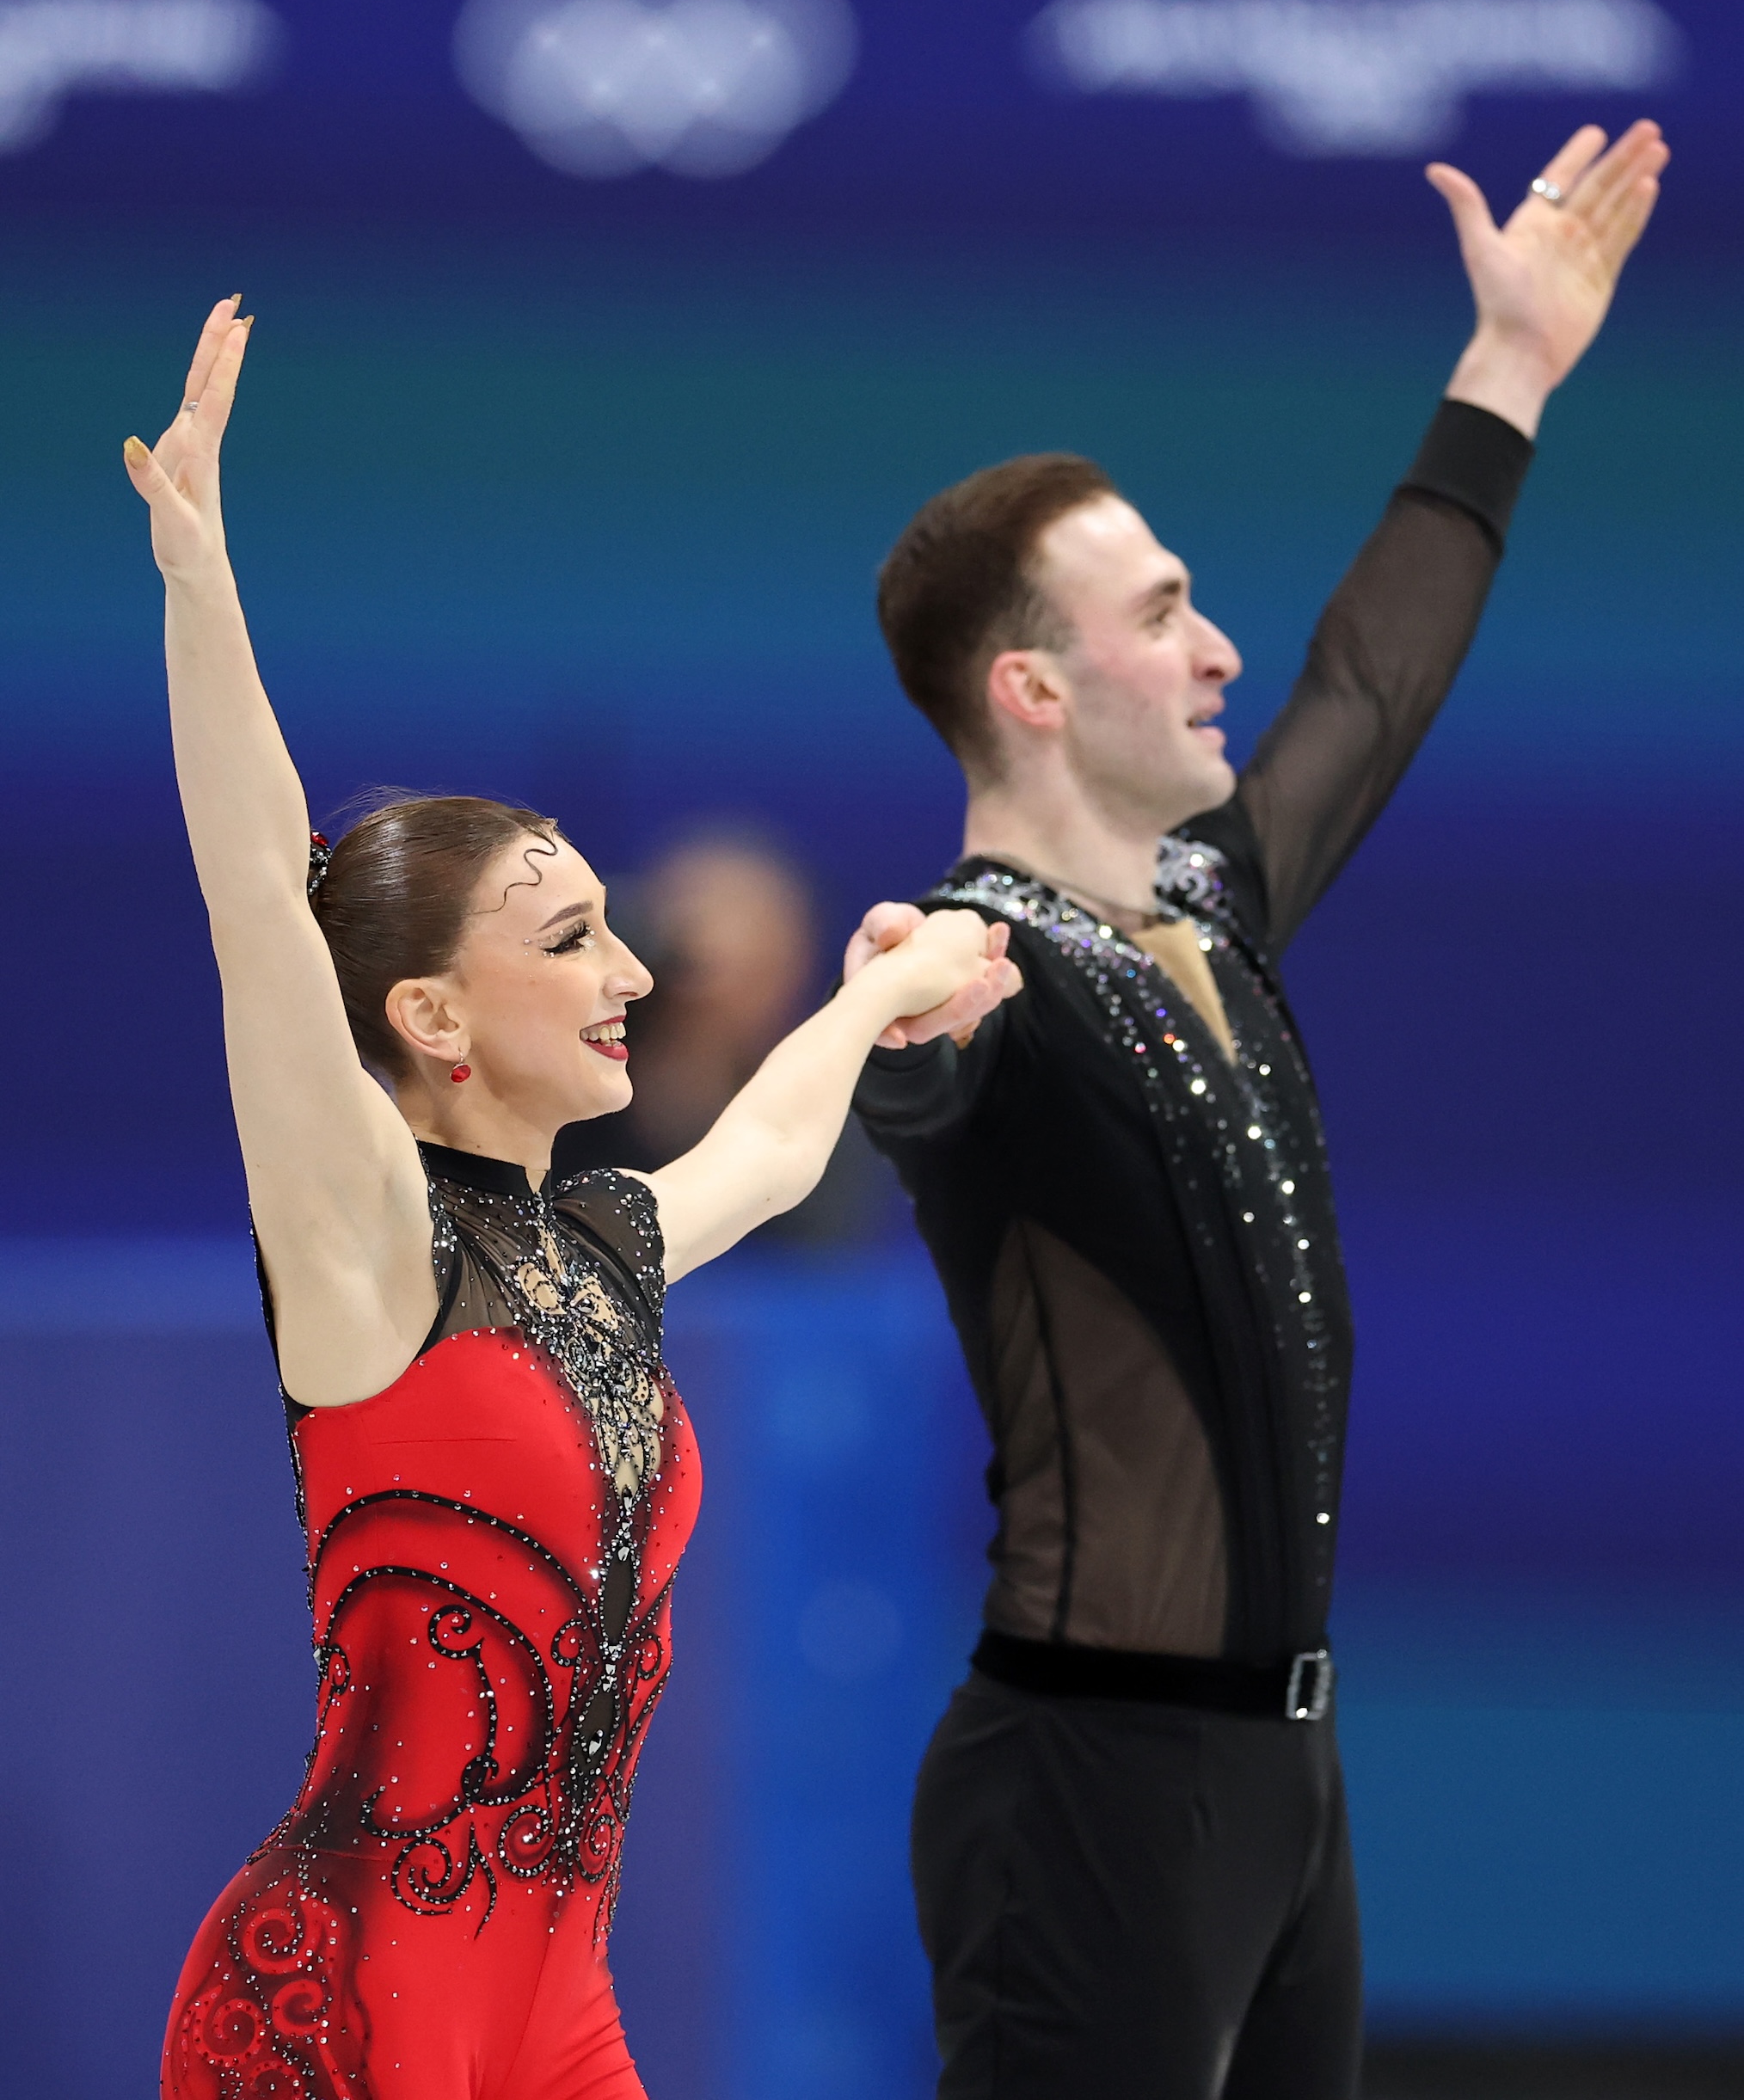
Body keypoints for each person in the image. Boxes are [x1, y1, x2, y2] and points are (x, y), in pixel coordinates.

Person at [844, 122, 1669, 2099]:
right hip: (1088, 1787)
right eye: (1160, 611)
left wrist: (1509, 370)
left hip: (1279, 1778)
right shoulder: (982, 962)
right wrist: (905, 1050)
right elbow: (923, 1089)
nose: (1215, 649)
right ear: (1030, 691)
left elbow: (1362, 692)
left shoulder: (1205, 899)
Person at [126, 301, 1017, 2100]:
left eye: (614, 922)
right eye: (569, 936)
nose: (631, 968)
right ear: (431, 1016)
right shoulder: (367, 1239)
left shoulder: (596, 1244)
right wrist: (200, 574)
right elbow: (254, 894)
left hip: (556, 2001)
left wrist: (873, 990)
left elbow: (763, 1158)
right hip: (344, 2001)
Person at [555, 830, 899, 1244]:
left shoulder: (825, 1127)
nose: (702, 965)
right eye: (679, 932)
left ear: (792, 970)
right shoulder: (564, 1109)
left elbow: (821, 1272)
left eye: (756, 953)